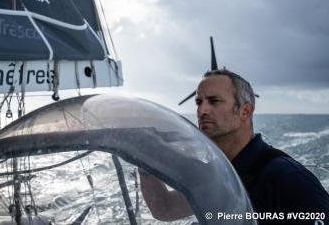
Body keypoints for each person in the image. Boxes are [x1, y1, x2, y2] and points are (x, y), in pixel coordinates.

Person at [140, 69, 329, 224]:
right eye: (199, 102)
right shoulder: (216, 173)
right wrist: (145, 159)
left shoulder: (286, 177)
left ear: (245, 111)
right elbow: (165, 208)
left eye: (214, 101)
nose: (202, 110)